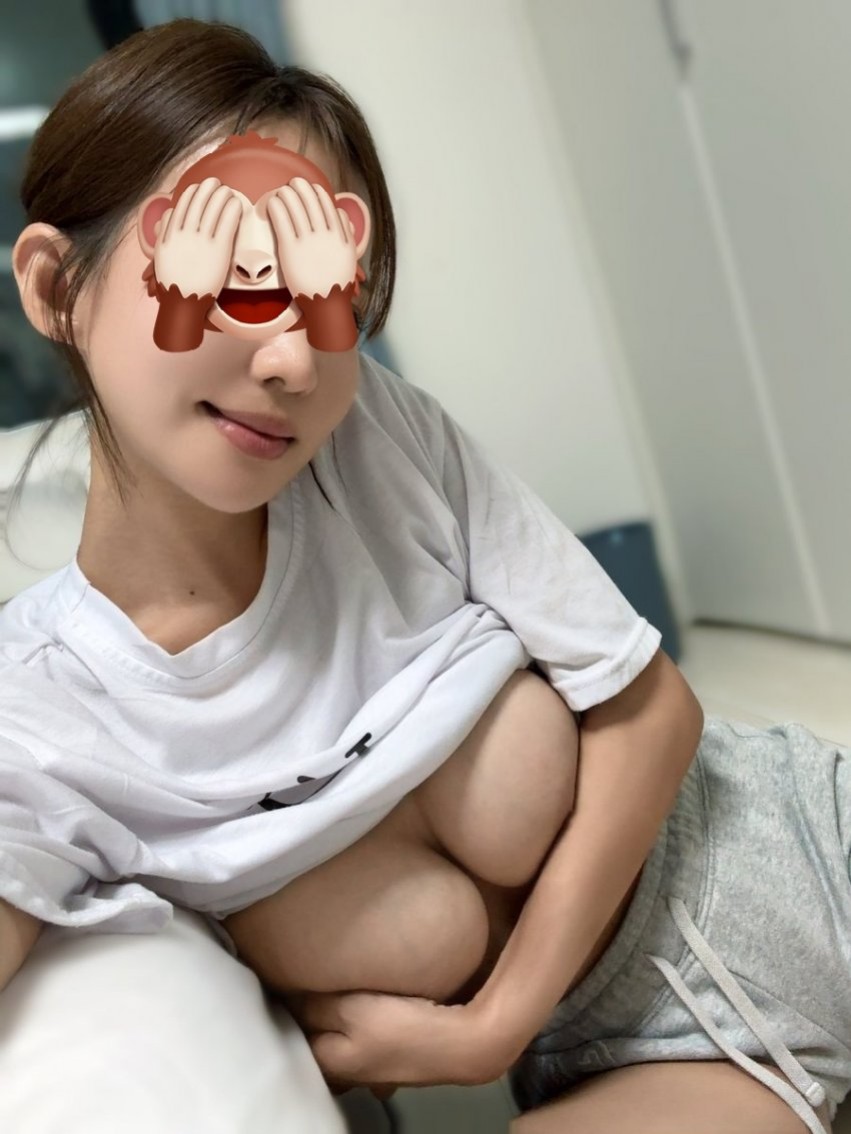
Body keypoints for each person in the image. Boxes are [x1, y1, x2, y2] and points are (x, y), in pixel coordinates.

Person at [1, 18, 848, 1134]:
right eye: (237, 278)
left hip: (789, 842)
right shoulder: (39, 717)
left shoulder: (372, 443)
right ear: (57, 286)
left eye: (330, 294)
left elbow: (651, 710)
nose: (294, 358)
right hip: (646, 1058)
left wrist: (489, 1024)